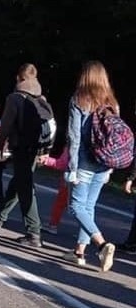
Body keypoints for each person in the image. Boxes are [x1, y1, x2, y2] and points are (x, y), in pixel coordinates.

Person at [0, 64, 51, 248]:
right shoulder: (40, 97)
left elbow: (5, 126)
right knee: (19, 183)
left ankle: (34, 233)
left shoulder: (15, 98)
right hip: (36, 148)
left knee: (25, 188)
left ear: (19, 78)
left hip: (21, 148)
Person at [62, 61, 117, 271]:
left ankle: (102, 244)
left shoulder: (79, 99)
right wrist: (111, 167)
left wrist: (72, 168)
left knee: (76, 206)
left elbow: (74, 136)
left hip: (84, 162)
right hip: (104, 163)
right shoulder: (112, 102)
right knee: (89, 207)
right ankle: (79, 252)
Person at [37, 147, 70, 235]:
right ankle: (88, 235)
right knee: (87, 207)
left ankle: (53, 225)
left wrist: (46, 160)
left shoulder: (73, 143)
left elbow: (62, 164)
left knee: (60, 202)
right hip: (92, 178)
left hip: (71, 178)